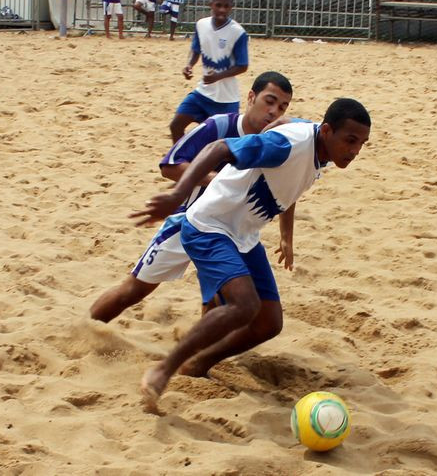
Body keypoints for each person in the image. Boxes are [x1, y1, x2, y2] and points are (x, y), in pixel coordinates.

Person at [130, 98, 371, 413]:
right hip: (209, 224)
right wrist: (177, 194)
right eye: (350, 141)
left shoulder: (319, 148)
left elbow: (289, 185)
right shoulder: (289, 144)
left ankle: (199, 363)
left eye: (362, 144)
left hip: (243, 234)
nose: (354, 150)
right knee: (245, 306)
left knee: (269, 323)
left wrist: (287, 237)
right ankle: (165, 368)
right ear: (327, 131)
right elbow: (218, 149)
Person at [90, 72, 294, 324]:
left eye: (282, 107)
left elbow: (286, 187)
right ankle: (84, 330)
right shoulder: (218, 126)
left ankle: (198, 355)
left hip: (233, 231)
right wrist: (217, 181)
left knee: (223, 301)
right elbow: (170, 165)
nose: (274, 111)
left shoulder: (277, 140)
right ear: (251, 97)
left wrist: (286, 236)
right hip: (189, 221)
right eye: (269, 101)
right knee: (134, 290)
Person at [169, 0, 249, 143]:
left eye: (226, 6)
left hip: (226, 99)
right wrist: (189, 65)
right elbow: (196, 49)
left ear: (231, 8)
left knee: (223, 145)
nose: (222, 10)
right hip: (203, 94)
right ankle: (179, 161)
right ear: (211, 5)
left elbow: (243, 66)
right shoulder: (201, 25)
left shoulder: (238, 33)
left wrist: (217, 77)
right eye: (218, 5)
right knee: (176, 126)